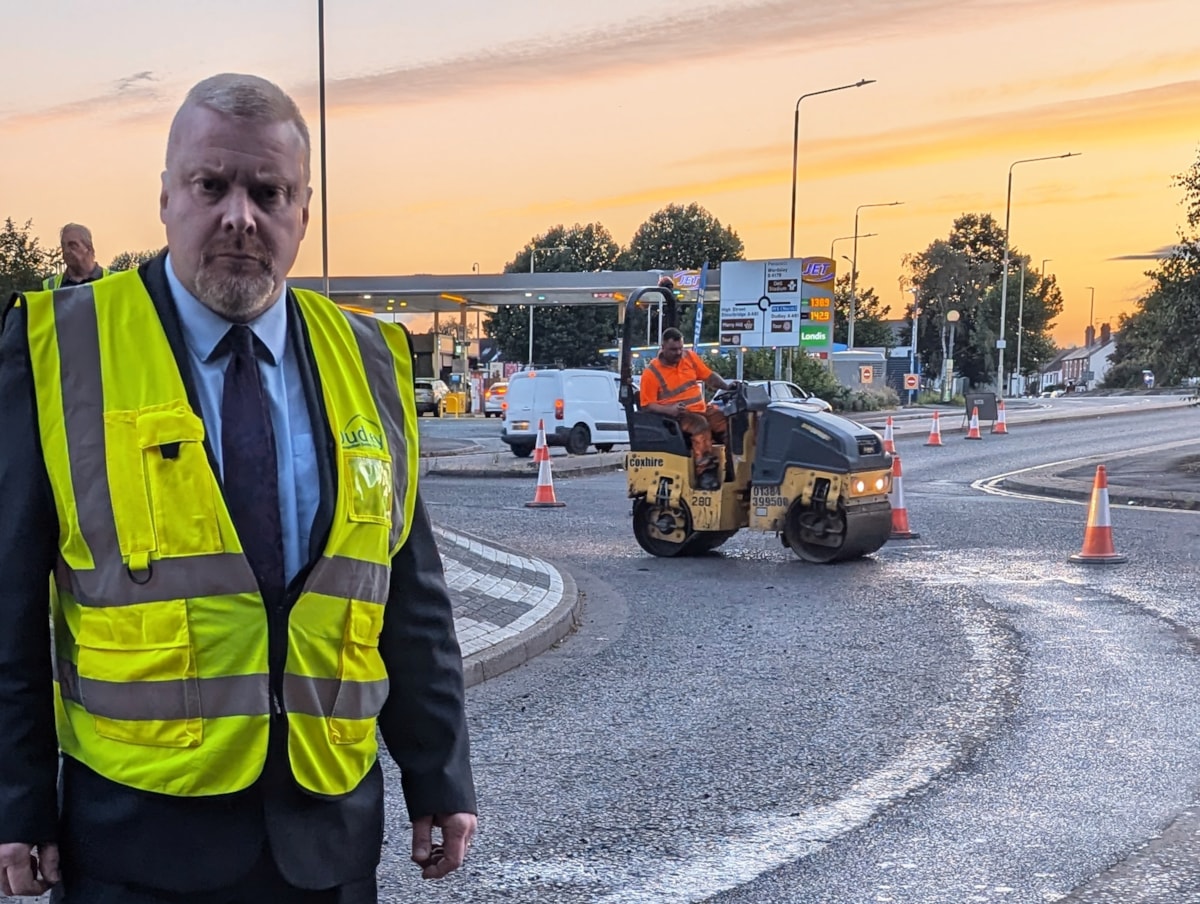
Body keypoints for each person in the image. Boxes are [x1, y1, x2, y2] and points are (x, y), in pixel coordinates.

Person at [0, 73, 476, 902]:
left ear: (303, 210)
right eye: (211, 185)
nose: (239, 217)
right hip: (134, 838)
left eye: (268, 191)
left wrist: (438, 773)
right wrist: (15, 801)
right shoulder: (59, 346)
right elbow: (7, 604)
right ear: (165, 196)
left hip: (327, 835)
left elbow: (406, 589)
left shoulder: (370, 358)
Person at [639, 327, 734, 487]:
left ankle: (732, 468)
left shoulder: (689, 357)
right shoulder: (651, 373)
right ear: (662, 348)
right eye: (673, 349)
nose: (678, 353)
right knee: (700, 425)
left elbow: (708, 376)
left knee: (729, 423)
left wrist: (726, 386)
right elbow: (647, 405)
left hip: (702, 410)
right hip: (676, 417)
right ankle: (705, 472)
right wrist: (670, 409)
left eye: (680, 348)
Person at [42, 224, 110, 289]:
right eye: (63, 246)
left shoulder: (114, 280)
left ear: (89, 248)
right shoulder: (50, 286)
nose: (66, 251)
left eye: (72, 245)